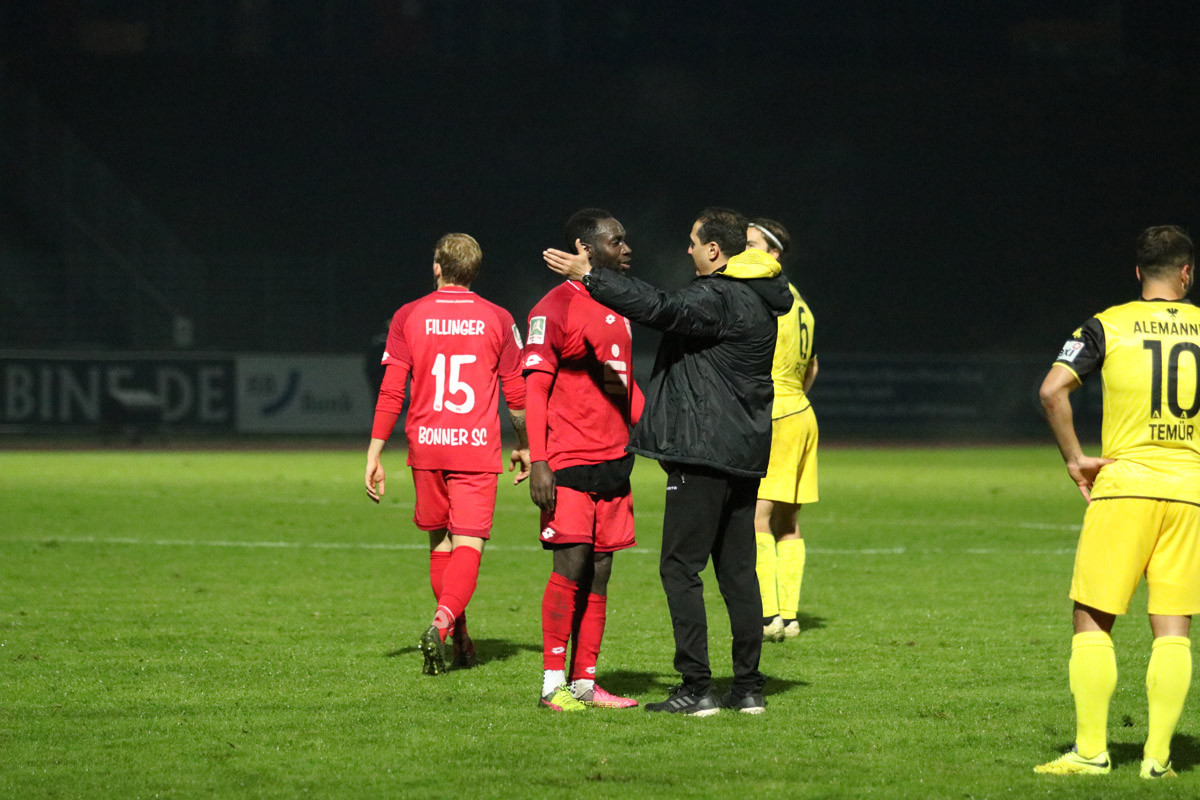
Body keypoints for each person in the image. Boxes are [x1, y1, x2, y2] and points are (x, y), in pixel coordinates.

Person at [544, 207, 793, 716]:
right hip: (744, 452)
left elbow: (660, 307)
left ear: (714, 250)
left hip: (702, 452)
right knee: (738, 573)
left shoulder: (720, 296)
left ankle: (696, 688)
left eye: (693, 242)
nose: (688, 249)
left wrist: (590, 276)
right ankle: (748, 688)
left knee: (680, 568)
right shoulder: (760, 298)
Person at [1035, 225, 1200, 779]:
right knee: (1173, 627)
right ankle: (1158, 759)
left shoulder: (1105, 325)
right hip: (1190, 492)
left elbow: (1052, 391)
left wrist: (1075, 459)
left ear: (1137, 272)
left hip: (1124, 485)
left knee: (1093, 618)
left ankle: (1090, 752)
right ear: (1186, 273)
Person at [365, 232, 530, 676]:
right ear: (474, 271)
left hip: (427, 446)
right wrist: (525, 443)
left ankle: (460, 639)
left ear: (437, 267)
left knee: (441, 542)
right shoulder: (498, 318)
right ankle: (441, 625)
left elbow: (392, 390)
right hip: (474, 448)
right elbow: (516, 393)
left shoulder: (408, 315)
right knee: (469, 544)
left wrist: (375, 451)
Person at [525, 208, 645, 712]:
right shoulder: (553, 307)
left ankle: (584, 682)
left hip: (616, 458)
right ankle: (552, 684)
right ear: (585, 248)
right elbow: (535, 390)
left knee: (600, 571)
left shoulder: (618, 304)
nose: (627, 249)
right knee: (570, 567)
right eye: (616, 241)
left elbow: (623, 383)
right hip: (568, 460)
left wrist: (656, 433)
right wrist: (539, 460)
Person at [745, 218, 819, 643]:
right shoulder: (801, 301)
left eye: (752, 244)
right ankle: (789, 618)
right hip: (802, 412)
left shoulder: (767, 297)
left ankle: (768, 615)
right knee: (788, 521)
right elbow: (813, 367)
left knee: (757, 515)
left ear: (774, 253)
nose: (744, 251)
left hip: (777, 411)